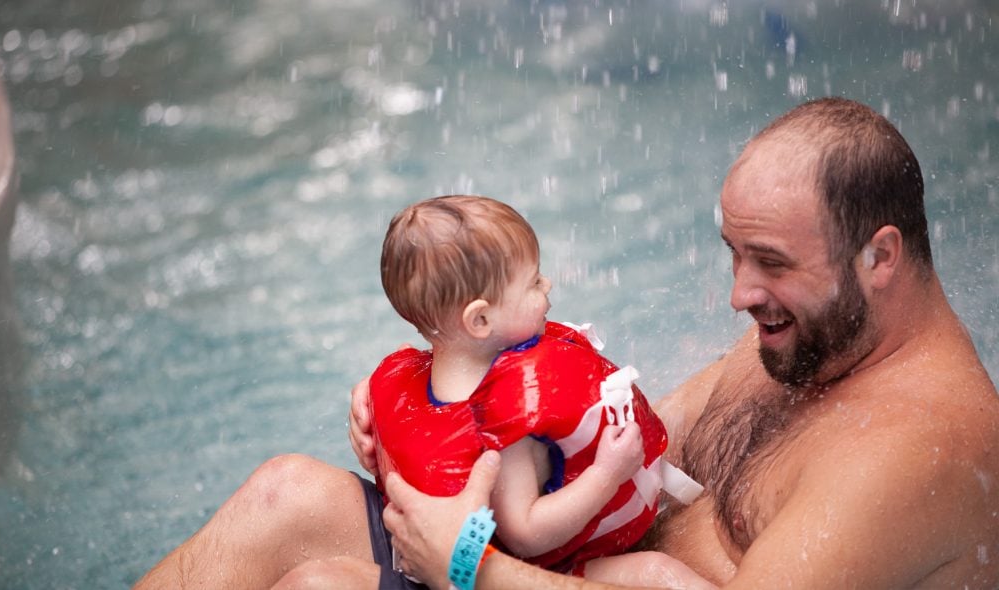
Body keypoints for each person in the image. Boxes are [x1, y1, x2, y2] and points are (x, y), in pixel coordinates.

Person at [133, 97, 999, 589]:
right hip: (569, 569)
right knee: (285, 494)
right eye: (734, 256)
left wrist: (468, 564)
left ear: (879, 255)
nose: (739, 295)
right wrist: (435, 423)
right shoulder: (810, 342)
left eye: (768, 263)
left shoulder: (919, 450)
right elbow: (608, 449)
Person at [368, 195, 686, 583]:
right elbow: (525, 533)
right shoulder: (505, 420)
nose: (547, 284)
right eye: (534, 282)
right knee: (659, 573)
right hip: (531, 572)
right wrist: (607, 474)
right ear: (480, 319)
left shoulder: (424, 382)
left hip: (441, 561)